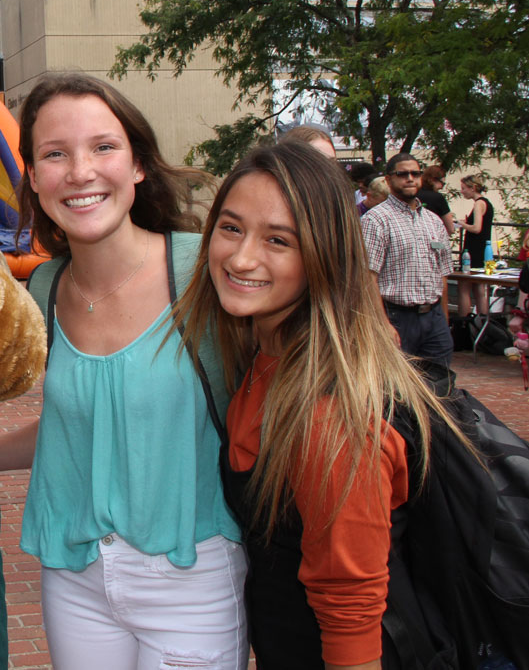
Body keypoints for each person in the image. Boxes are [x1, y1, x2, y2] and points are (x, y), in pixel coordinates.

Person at [0, 72, 247, 669]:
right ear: (33, 175)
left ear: (137, 165)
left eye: (103, 147)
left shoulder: (205, 269)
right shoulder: (48, 286)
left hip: (193, 577)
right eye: (55, 154)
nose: (80, 172)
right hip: (76, 577)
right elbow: (80, 424)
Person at [173, 141, 463, 668]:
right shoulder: (263, 357)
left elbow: (352, 618)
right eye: (231, 228)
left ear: (324, 254)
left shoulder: (330, 419)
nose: (240, 258)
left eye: (278, 240)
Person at [360, 153, 454, 367]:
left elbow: (443, 275)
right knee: (397, 393)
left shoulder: (434, 222)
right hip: (397, 317)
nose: (410, 178)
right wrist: (383, 324)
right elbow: (367, 278)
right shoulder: (376, 221)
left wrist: (444, 321)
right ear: (388, 180)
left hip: (434, 318)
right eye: (402, 174)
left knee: (440, 389)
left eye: (415, 173)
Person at [458, 173, 494, 318]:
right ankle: (484, 320)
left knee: (464, 287)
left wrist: (462, 224)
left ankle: (464, 321)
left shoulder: (479, 203)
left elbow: (477, 228)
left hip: (474, 249)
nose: (462, 191)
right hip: (483, 248)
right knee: (479, 287)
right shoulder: (487, 203)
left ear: (473, 188)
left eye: (464, 188)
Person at [416, 164, 454, 233]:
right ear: (433, 180)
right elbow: (450, 228)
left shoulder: (413, 195)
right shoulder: (438, 198)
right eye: (442, 183)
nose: (442, 187)